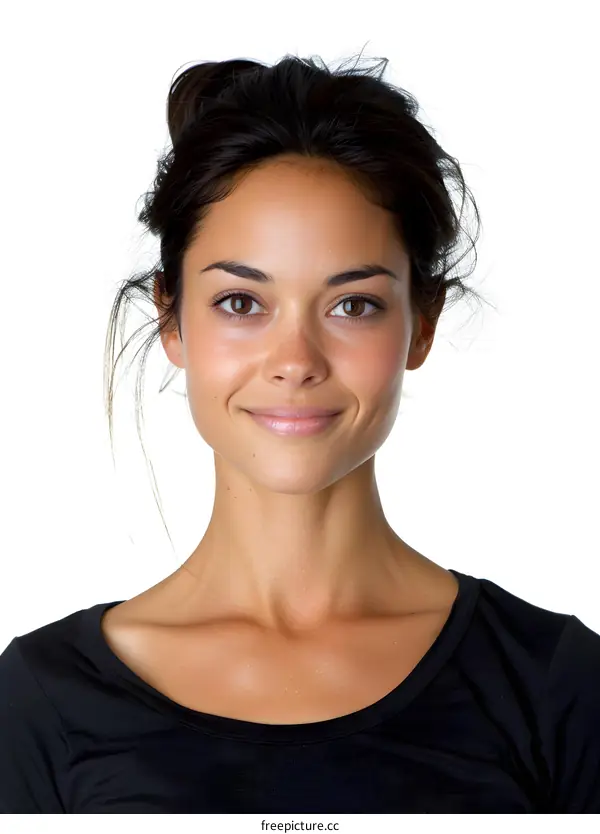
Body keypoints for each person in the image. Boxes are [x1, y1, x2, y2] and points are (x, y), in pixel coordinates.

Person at [1, 51, 599, 815]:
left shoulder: (556, 686)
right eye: (242, 304)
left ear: (422, 324)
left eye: (353, 305)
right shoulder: (38, 703)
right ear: (171, 317)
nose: (295, 362)